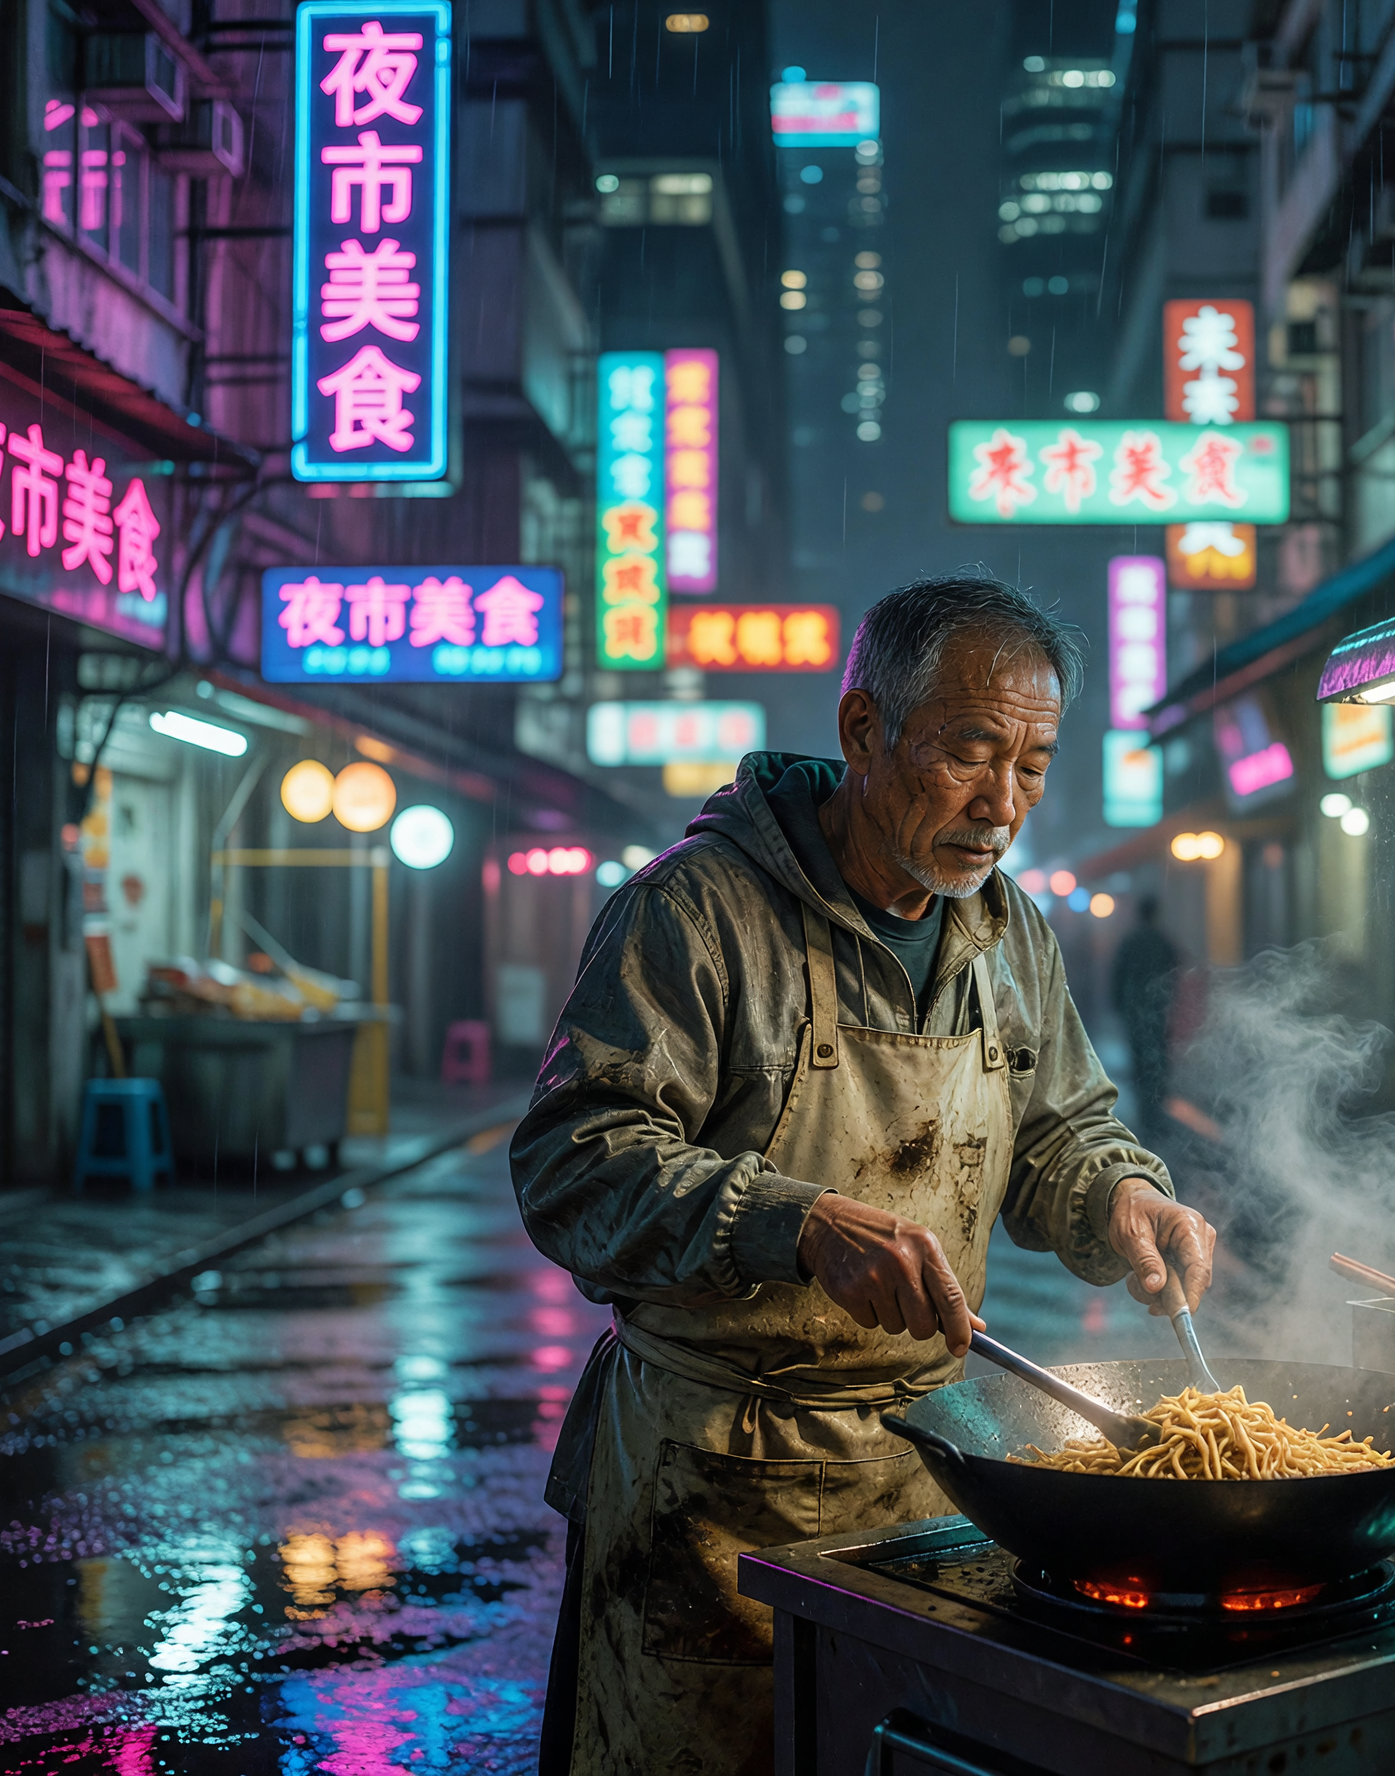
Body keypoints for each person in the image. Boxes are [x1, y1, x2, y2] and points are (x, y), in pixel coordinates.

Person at [512, 575, 1217, 1775]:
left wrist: (1120, 1198)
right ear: (861, 732)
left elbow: (1059, 1133)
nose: (1001, 806)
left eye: (1033, 766)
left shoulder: (1008, 933)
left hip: (930, 1482)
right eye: (968, 754)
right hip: (713, 1493)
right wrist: (791, 1226)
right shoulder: (693, 912)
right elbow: (574, 1162)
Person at [1110, 895, 1182, 1142]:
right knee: (1157, 1055)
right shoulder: (1162, 941)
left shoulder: (1131, 941)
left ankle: (1146, 1109)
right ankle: (1157, 1106)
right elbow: (1175, 970)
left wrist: (1118, 1004)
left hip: (1135, 1008)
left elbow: (1118, 974)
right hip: (1157, 1008)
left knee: (1140, 1056)